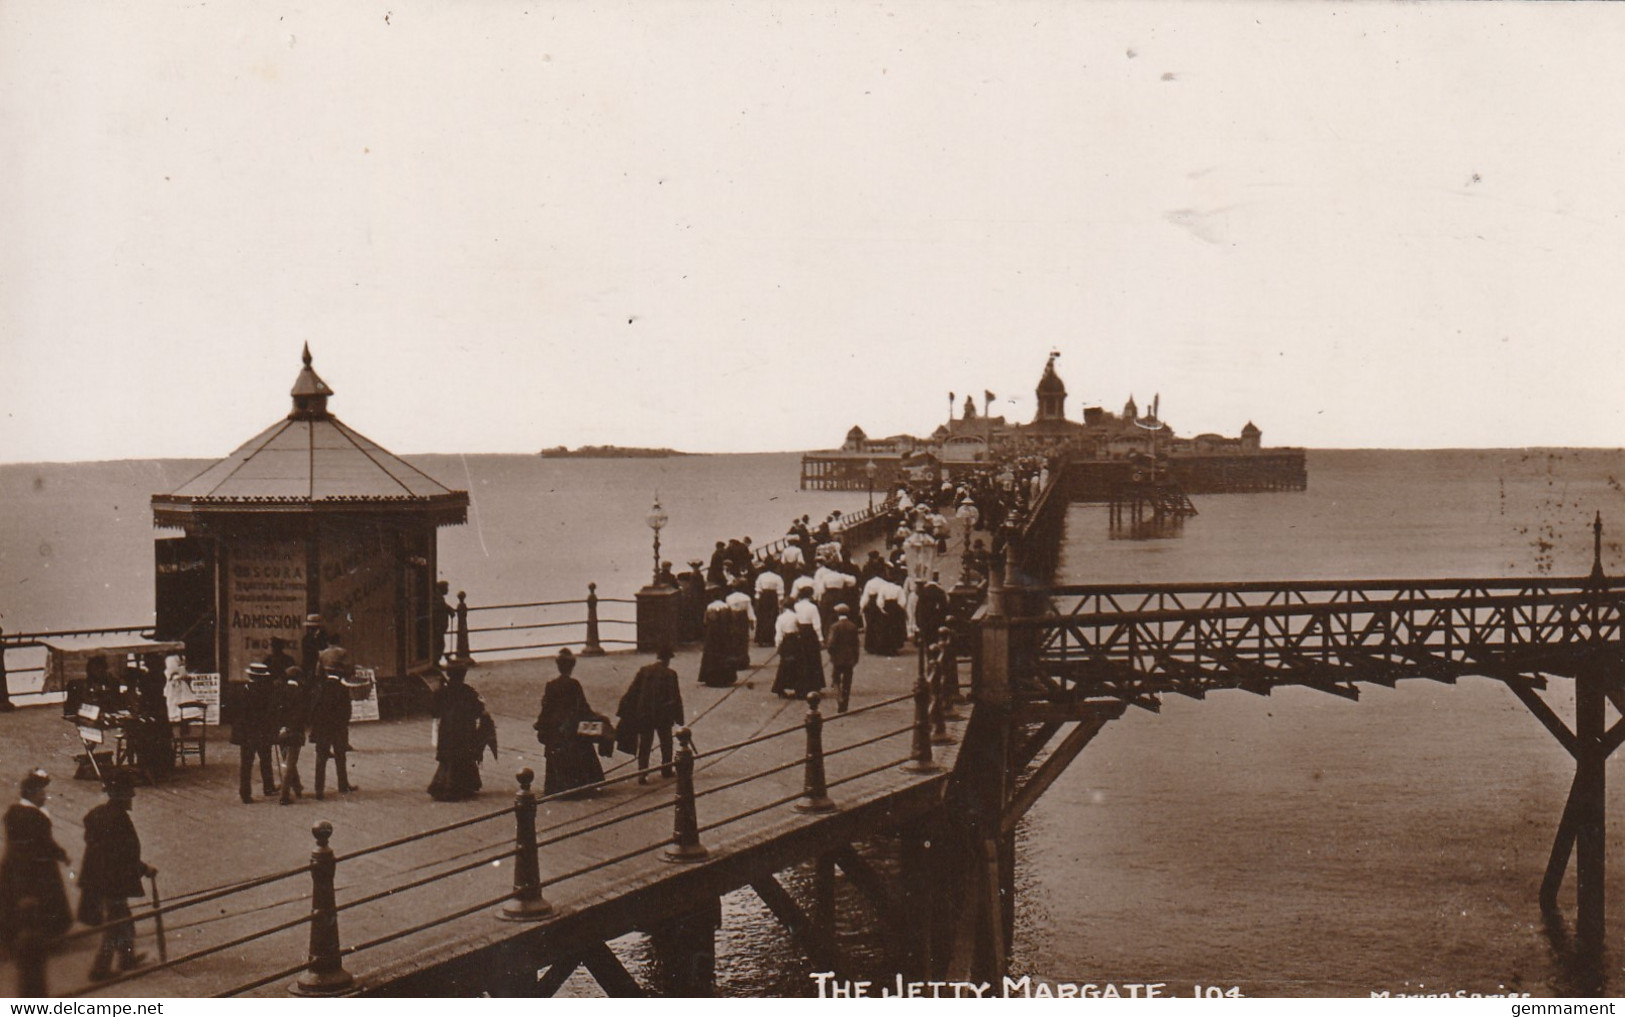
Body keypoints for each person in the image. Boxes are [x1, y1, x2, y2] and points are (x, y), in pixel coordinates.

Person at [78, 772, 154, 980]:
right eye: (130, 793)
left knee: (124, 919)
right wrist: (144, 869)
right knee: (114, 924)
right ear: (122, 796)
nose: (133, 797)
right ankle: (99, 969)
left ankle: (127, 958)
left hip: (100, 879)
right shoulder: (119, 820)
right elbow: (123, 855)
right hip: (113, 882)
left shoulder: (99, 814)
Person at [0, 769, 71, 955]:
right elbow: (46, 844)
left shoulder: (12, 812)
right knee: (43, 900)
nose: (45, 797)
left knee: (13, 899)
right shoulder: (38, 818)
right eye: (42, 793)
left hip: (13, 866)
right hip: (38, 868)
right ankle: (42, 939)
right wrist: (62, 855)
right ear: (32, 794)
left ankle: (11, 936)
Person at [534, 649, 607, 797]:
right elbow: (583, 707)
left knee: (556, 755)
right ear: (571, 667)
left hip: (556, 729)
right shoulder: (574, 684)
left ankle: (556, 787)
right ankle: (581, 786)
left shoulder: (551, 685)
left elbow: (547, 708)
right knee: (582, 753)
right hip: (572, 727)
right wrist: (597, 716)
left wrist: (540, 724)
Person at [615, 647, 684, 783]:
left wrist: (624, 710)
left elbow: (633, 691)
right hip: (663, 715)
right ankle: (666, 770)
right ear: (668, 659)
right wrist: (679, 718)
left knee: (645, 745)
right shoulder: (670, 674)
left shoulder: (644, 670)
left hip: (645, 714)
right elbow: (676, 698)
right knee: (666, 743)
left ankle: (643, 774)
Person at [428, 666, 492, 801]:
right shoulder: (468, 691)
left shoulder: (442, 691)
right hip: (464, 730)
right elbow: (478, 710)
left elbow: (434, 711)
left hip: (447, 730)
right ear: (463, 676)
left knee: (448, 759)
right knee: (464, 757)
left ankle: (445, 785)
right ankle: (464, 786)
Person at [231, 663, 279, 804]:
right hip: (262, 732)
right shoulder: (268, 691)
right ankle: (268, 787)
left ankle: (245, 793)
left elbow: (235, 711)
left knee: (246, 763)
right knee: (265, 760)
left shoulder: (241, 690)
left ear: (250, 675)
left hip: (246, 733)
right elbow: (272, 712)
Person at [308, 666, 356, 799]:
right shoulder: (343, 689)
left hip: (322, 729)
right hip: (338, 729)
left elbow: (313, 708)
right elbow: (347, 711)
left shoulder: (319, 688)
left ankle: (319, 790)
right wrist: (343, 724)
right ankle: (343, 785)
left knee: (321, 759)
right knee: (340, 757)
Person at [274, 666, 308, 804]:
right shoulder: (301, 693)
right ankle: (284, 796)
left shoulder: (279, 691)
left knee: (288, 762)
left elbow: (275, 712)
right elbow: (301, 715)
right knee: (290, 763)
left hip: (280, 732)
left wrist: (280, 728)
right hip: (295, 732)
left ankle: (298, 787)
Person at [825, 604, 861, 714]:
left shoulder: (834, 627)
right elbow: (856, 644)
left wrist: (831, 654)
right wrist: (856, 658)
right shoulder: (853, 626)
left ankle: (839, 697)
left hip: (837, 658)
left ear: (837, 614)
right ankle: (845, 703)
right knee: (847, 681)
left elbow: (830, 643)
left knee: (835, 679)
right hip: (849, 658)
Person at [697, 597, 738, 688]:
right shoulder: (726, 607)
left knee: (711, 656)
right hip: (724, 635)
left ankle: (711, 678)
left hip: (712, 636)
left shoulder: (710, 607)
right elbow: (731, 621)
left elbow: (705, 622)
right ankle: (725, 678)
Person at [753, 563, 784, 647]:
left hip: (764, 597)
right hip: (773, 598)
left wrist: (757, 600)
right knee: (773, 617)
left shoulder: (761, 576)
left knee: (762, 617)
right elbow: (780, 592)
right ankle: (771, 638)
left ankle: (761, 638)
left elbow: (758, 590)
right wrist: (780, 603)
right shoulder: (777, 577)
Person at [431, 581, 453, 665]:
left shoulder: (438, 596)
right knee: (439, 644)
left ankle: (436, 661)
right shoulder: (437, 597)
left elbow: (442, 605)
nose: (448, 590)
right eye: (446, 588)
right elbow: (440, 606)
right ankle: (436, 661)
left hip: (439, 626)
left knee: (439, 644)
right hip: (438, 626)